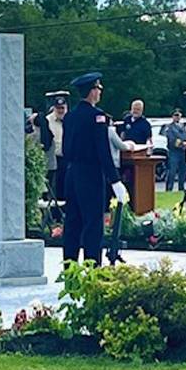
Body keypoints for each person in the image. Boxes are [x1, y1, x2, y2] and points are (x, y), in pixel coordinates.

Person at [62, 71, 129, 266]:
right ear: (92, 91)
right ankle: (93, 269)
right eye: (98, 88)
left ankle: (69, 270)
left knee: (72, 223)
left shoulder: (70, 117)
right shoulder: (97, 117)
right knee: (93, 224)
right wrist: (115, 180)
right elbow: (103, 152)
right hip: (90, 174)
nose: (100, 92)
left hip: (72, 173)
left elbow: (66, 149)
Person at [37, 91, 69, 198]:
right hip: (53, 158)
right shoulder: (47, 120)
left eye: (62, 108)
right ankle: (56, 212)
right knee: (54, 187)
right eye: (58, 108)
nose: (60, 111)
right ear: (54, 108)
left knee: (67, 186)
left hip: (67, 158)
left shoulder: (70, 119)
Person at [164, 109, 186, 192]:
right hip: (174, 152)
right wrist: (182, 144)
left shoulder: (184, 126)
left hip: (183, 152)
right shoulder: (169, 127)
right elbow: (171, 139)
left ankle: (181, 188)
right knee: (172, 171)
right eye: (175, 115)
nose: (177, 117)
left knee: (183, 171)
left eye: (179, 115)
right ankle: (169, 188)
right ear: (172, 116)